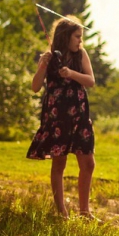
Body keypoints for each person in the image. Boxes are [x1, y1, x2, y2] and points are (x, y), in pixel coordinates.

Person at [26, 15, 96, 220]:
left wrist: (71, 74)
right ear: (65, 37)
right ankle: (61, 212)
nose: (80, 41)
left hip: (79, 115)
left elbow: (90, 81)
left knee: (88, 163)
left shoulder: (81, 54)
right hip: (57, 117)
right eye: (77, 36)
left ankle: (85, 212)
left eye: (81, 37)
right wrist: (42, 66)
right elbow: (35, 87)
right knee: (59, 164)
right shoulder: (50, 57)